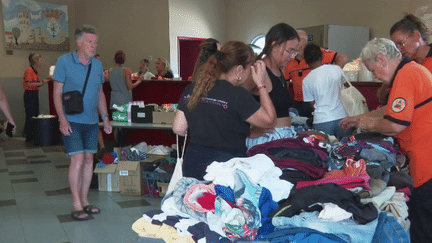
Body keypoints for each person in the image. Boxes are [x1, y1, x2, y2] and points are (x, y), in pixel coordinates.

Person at [339, 38, 432, 243]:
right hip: (425, 157)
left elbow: (396, 124)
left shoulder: (405, 76)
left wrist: (367, 123)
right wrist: (361, 118)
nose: (375, 76)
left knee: (423, 225)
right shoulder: (412, 70)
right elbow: (392, 109)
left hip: (427, 163)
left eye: (373, 70)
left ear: (382, 59)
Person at [172, 41, 277, 180]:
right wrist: (260, 84)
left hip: (193, 165)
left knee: (194, 201)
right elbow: (270, 120)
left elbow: (178, 128)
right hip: (226, 169)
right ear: (239, 69)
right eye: (249, 69)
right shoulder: (238, 95)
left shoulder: (193, 89)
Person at [53, 24, 112, 221]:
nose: (93, 45)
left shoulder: (97, 65)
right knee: (77, 159)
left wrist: (104, 117)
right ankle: (76, 203)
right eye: (89, 41)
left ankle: (85, 200)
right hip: (71, 120)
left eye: (95, 42)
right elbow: (57, 92)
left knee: (88, 159)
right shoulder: (64, 62)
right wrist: (62, 119)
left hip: (91, 121)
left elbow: (100, 94)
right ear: (79, 42)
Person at [245, 23, 299, 150]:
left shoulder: (280, 71)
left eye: (294, 52)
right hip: (267, 143)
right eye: (289, 51)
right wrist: (247, 132)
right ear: (274, 46)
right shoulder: (259, 70)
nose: (292, 57)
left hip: (283, 138)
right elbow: (233, 103)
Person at [284, 30, 348, 118]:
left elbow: (342, 58)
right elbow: (285, 84)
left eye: (292, 41)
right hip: (298, 103)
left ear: (302, 42)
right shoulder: (289, 59)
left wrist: (332, 72)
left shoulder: (317, 53)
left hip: (318, 102)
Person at [376, 13, 432, 105]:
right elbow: (384, 99)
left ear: (417, 36)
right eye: (396, 46)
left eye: (401, 43)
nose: (399, 50)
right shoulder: (407, 66)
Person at [302, 43, 352, 137]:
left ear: (306, 60)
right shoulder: (337, 69)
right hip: (342, 118)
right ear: (322, 56)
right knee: (346, 149)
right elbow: (349, 88)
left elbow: (312, 104)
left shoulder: (306, 80)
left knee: (323, 150)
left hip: (321, 120)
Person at [23, 53, 51, 143]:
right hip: (29, 94)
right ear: (35, 61)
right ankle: (29, 137)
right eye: (40, 60)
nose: (41, 62)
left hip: (35, 94)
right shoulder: (29, 70)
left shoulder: (36, 72)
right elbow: (29, 83)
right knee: (30, 115)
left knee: (35, 114)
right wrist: (42, 83)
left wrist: (45, 80)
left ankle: (34, 135)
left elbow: (37, 84)